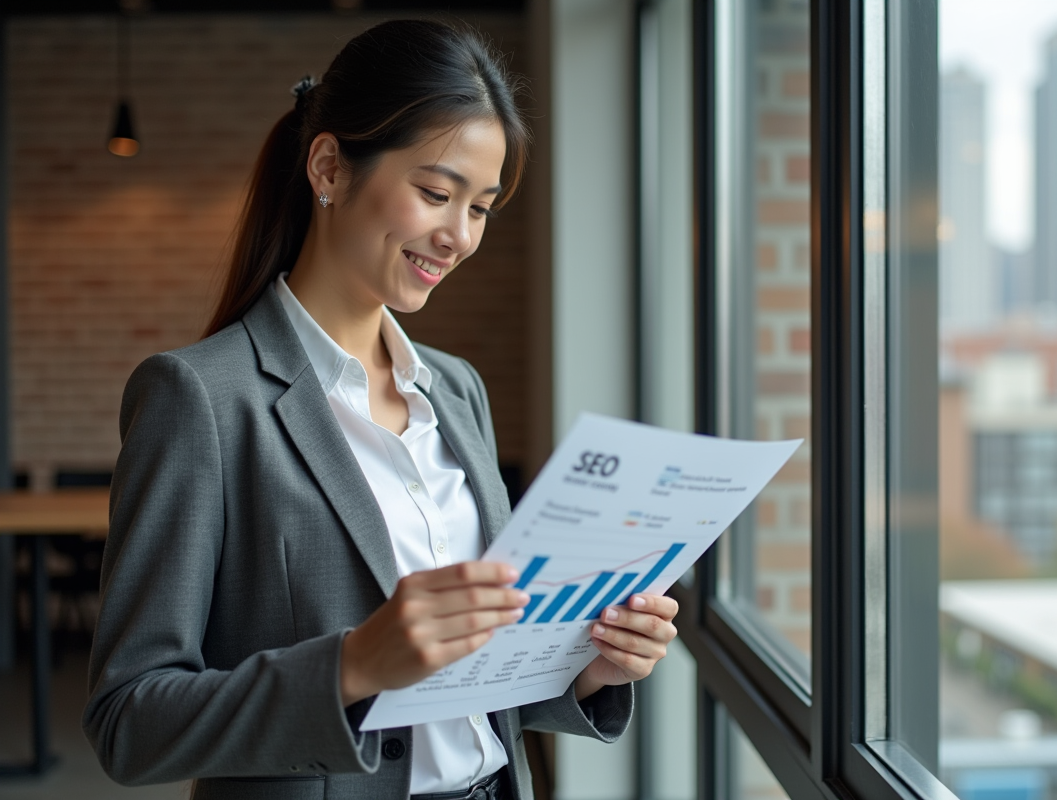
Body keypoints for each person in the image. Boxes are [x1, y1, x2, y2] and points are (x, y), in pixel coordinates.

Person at [83, 20, 678, 800]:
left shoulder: (456, 389)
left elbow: (472, 677)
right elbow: (129, 720)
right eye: (436, 193)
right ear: (329, 167)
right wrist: (353, 665)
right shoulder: (200, 398)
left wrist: (589, 666)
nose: (459, 236)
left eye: (482, 208)